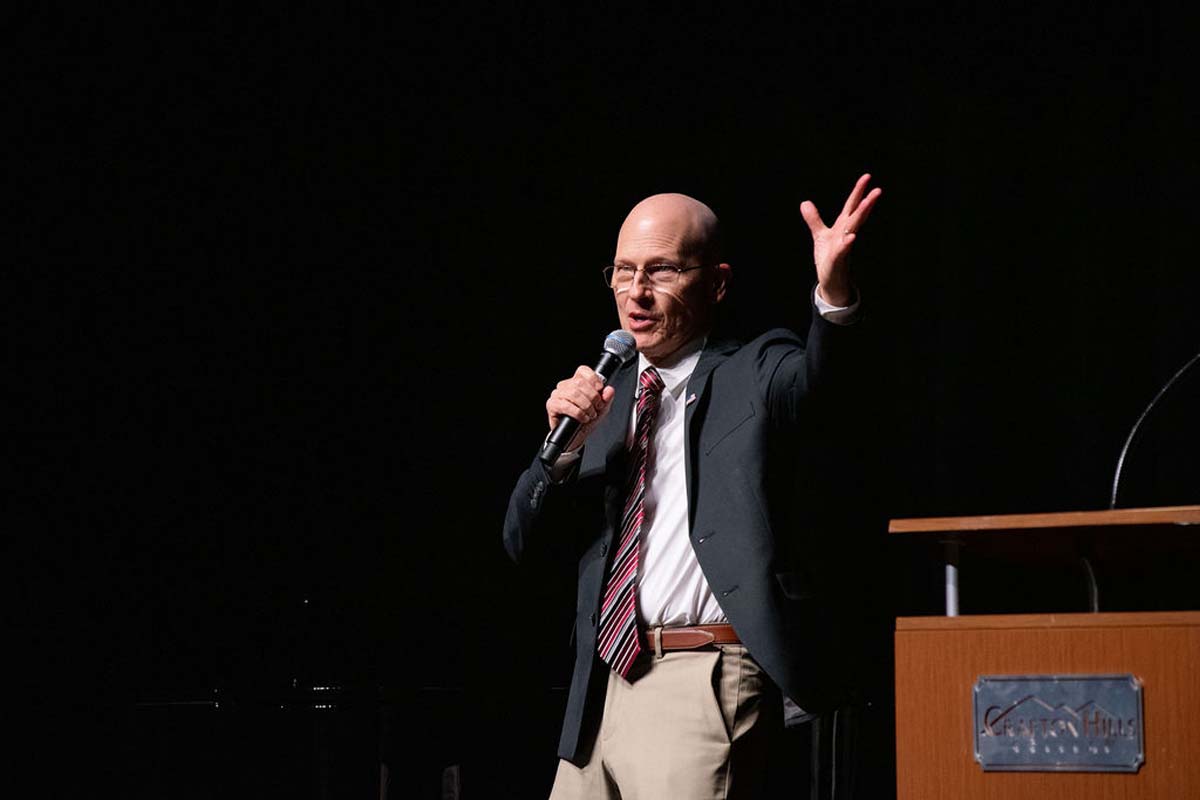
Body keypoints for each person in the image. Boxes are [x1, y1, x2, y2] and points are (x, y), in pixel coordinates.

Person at [503, 175, 883, 799]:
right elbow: (522, 541)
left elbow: (827, 386)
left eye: (662, 270)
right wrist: (562, 451)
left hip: (699, 675)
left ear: (717, 283)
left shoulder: (756, 369)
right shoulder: (604, 398)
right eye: (623, 271)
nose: (636, 292)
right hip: (597, 688)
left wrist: (834, 295)